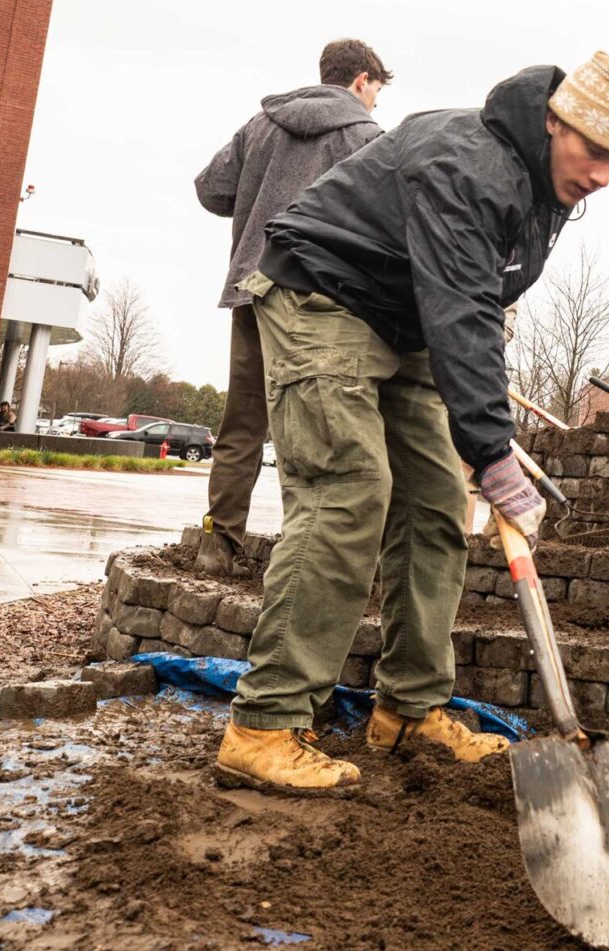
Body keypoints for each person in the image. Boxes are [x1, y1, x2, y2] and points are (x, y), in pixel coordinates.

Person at [211, 53, 609, 793]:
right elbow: (463, 307)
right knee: (349, 493)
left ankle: (409, 711)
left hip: (403, 320)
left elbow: (479, 302)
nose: (604, 175)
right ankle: (264, 723)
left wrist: (484, 446)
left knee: (436, 508)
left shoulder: (546, 185)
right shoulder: (471, 163)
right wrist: (490, 445)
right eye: (597, 151)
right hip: (322, 293)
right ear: (555, 120)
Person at [192, 39, 391, 577]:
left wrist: (262, 198)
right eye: (377, 89)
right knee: (310, 428)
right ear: (360, 81)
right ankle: (299, 558)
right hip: (317, 301)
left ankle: (217, 544)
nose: (376, 101)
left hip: (251, 286)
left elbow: (211, 190)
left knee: (243, 422)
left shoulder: (263, 124)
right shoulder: (365, 137)